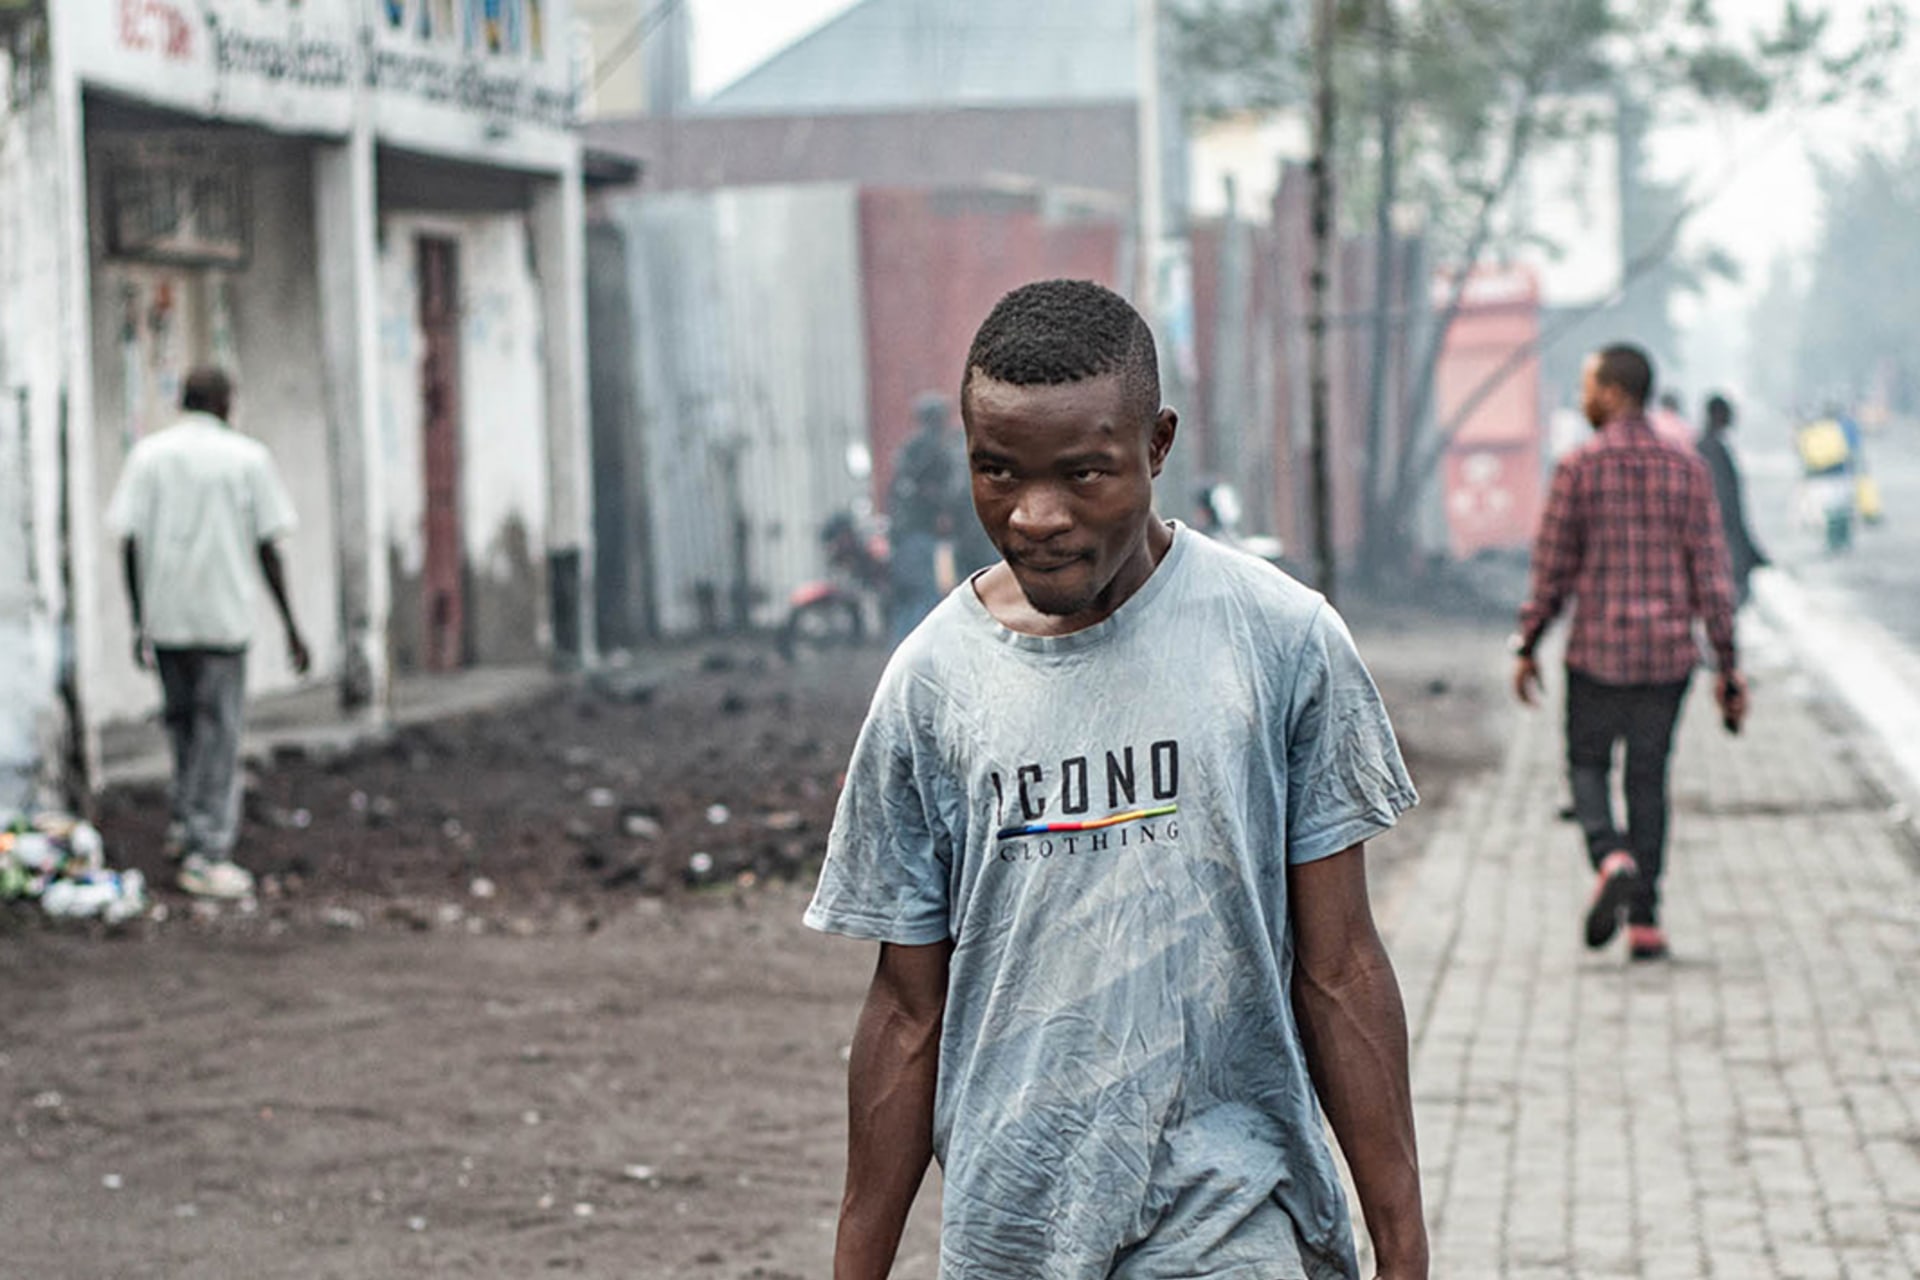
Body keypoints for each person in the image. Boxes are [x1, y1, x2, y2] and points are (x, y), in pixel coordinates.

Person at [806, 280, 1428, 1279]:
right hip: (1013, 1226)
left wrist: (1402, 1239)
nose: (1036, 514)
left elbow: (1340, 961)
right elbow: (905, 1008)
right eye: (997, 470)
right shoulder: (932, 686)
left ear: (1158, 445)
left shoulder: (1278, 640)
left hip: (1234, 1212)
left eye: (1084, 472)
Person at [1513, 344, 1745, 962]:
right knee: (1649, 781)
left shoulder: (1577, 467)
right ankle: (1646, 922)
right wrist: (1727, 662)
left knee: (1588, 766)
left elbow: (1552, 571)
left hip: (1596, 655)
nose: (1585, 396)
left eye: (1591, 385)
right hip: (1668, 658)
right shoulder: (1687, 468)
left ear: (1615, 391)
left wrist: (1529, 641)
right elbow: (1710, 573)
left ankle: (1610, 854)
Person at [107, 366, 310, 900]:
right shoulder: (246, 459)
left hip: (169, 618)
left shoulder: (149, 457)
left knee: (182, 728)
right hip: (222, 621)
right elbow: (269, 547)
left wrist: (138, 618)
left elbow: (128, 542)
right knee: (218, 733)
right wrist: (291, 624)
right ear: (224, 402)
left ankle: (186, 825)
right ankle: (207, 851)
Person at [885, 391, 960, 644]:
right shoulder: (931, 448)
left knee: (908, 595)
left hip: (906, 533)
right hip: (918, 533)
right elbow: (937, 489)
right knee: (923, 594)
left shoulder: (910, 449)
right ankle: (918, 646)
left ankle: (903, 646)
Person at [1696, 394, 1769, 607]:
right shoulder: (1711, 450)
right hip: (1723, 540)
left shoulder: (1711, 447)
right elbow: (1724, 503)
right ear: (1718, 414)